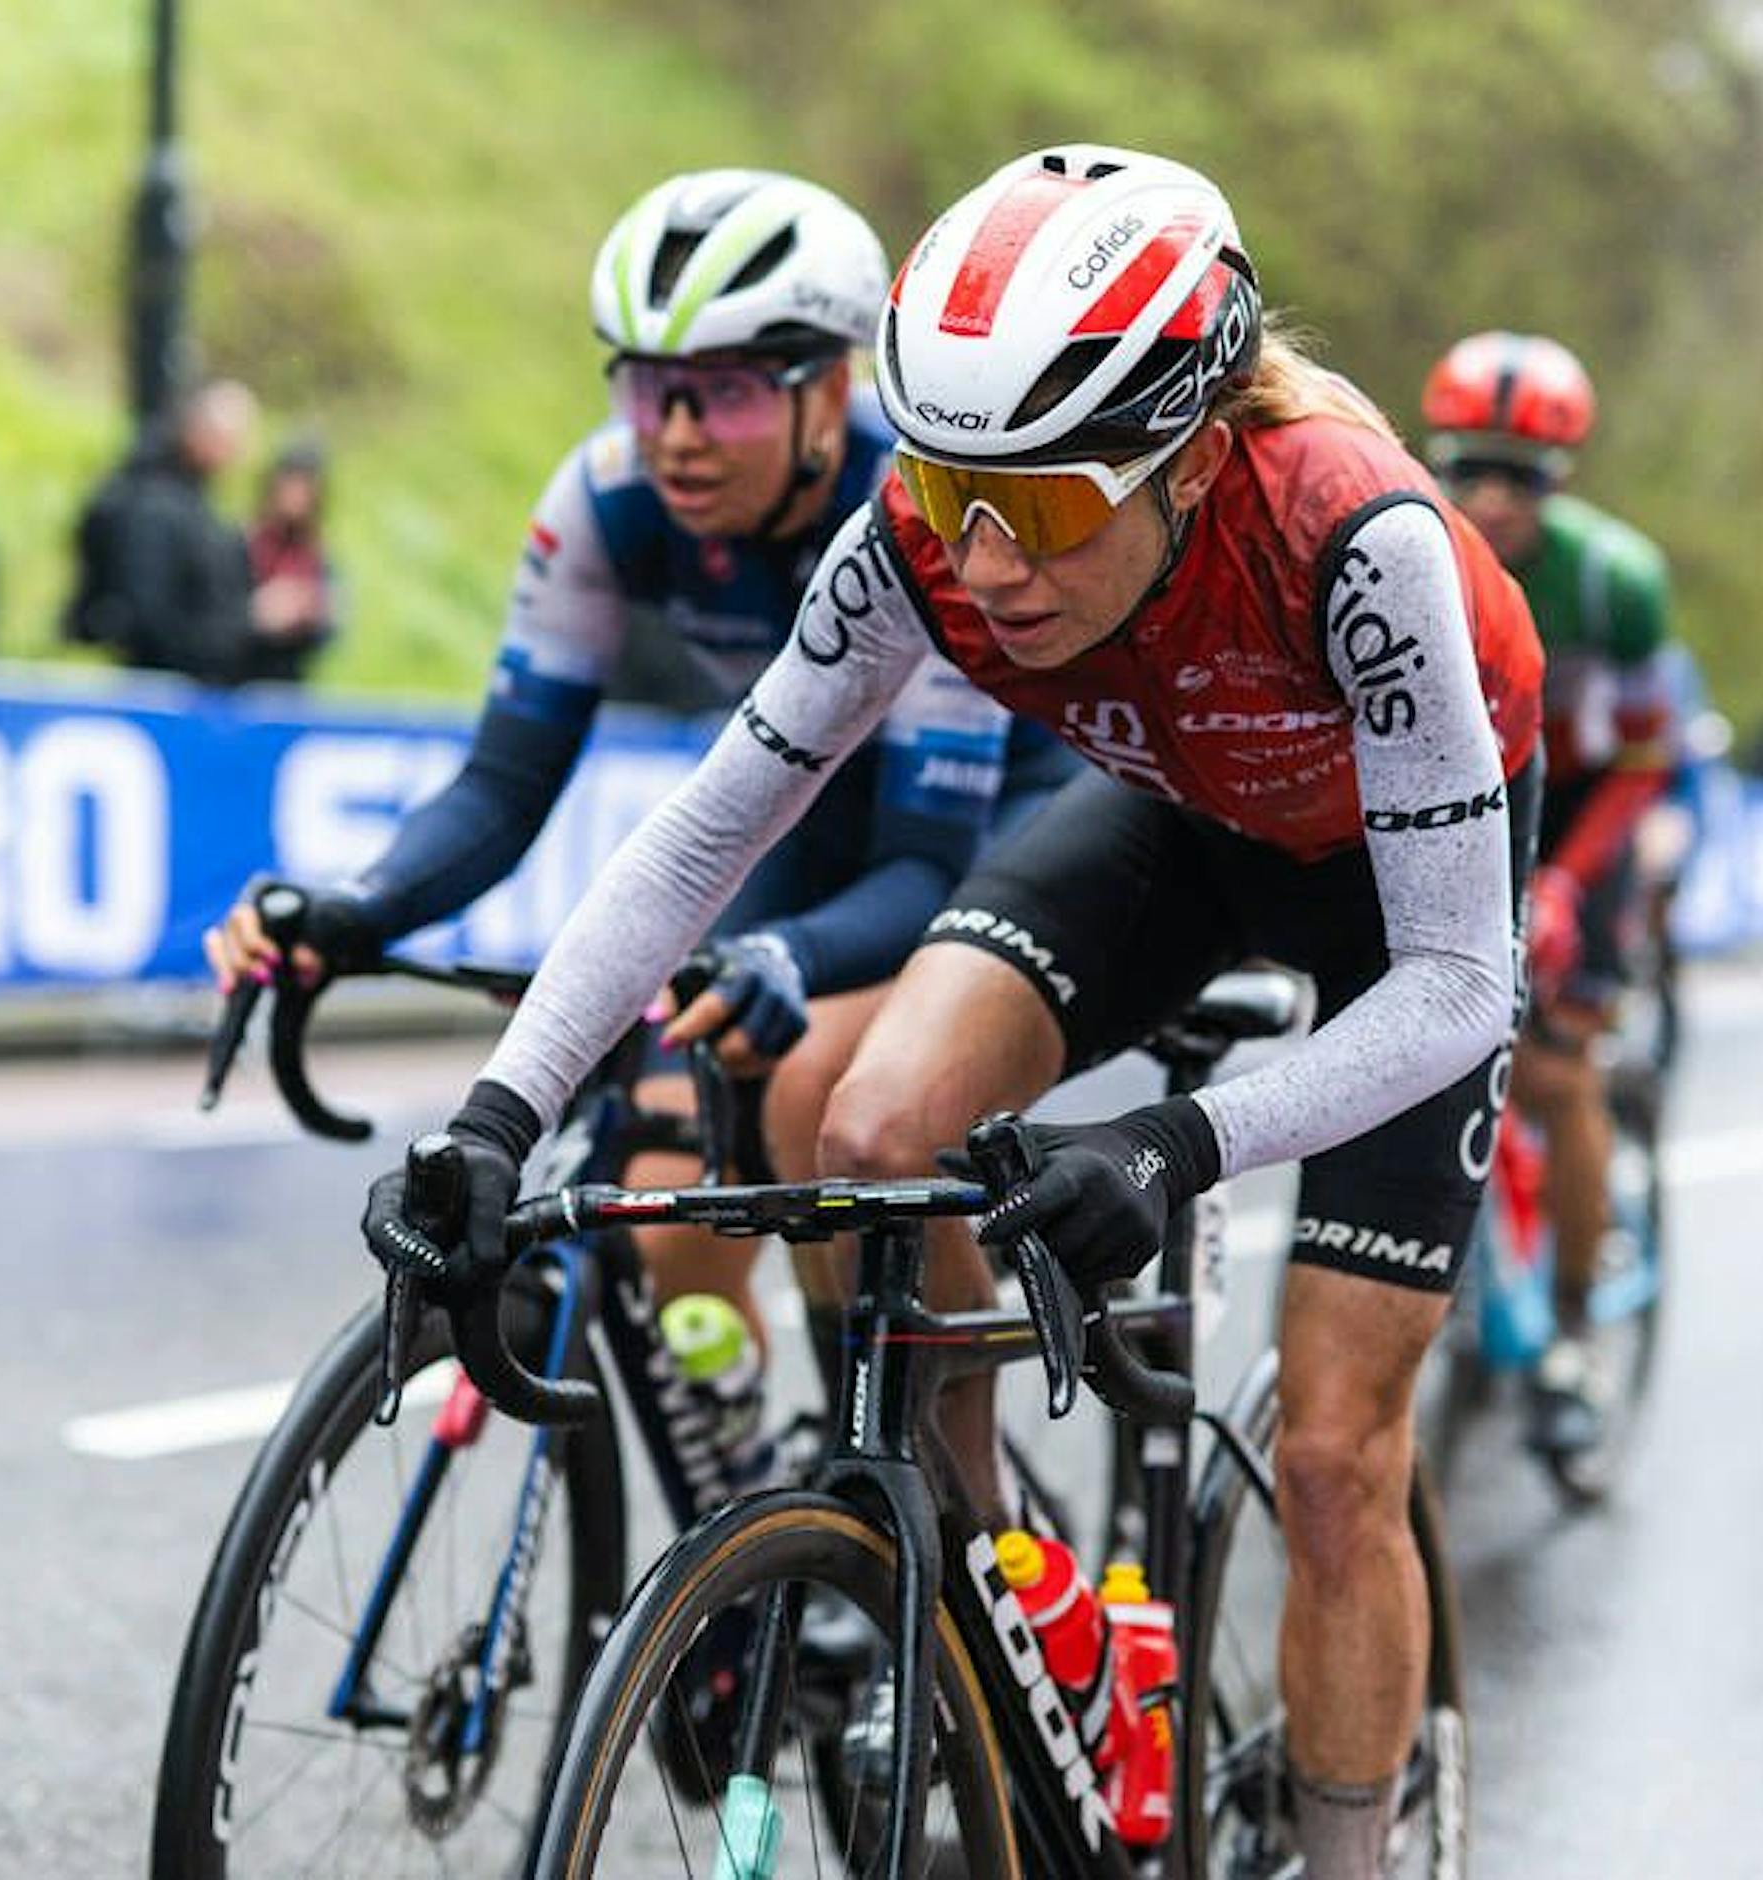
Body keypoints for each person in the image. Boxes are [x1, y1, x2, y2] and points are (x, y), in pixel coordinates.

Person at [361, 144, 1545, 1877]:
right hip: (1175, 819)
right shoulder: (924, 532)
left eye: (1050, 507)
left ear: (1198, 455)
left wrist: (1171, 1142)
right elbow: (709, 824)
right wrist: (496, 1113)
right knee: (865, 1129)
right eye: (945, 479)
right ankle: (1003, 1613)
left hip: (1393, 887)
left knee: (1335, 1450)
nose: (985, 558)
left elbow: (1457, 982)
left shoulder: (1354, 541)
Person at [210, 169, 1067, 1389]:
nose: (671, 434)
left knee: (822, 1100)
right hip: (814, 834)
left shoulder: (921, 502)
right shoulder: (606, 502)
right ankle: (750, 1490)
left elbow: (922, 861)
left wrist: (792, 962)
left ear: (831, 386)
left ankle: (907, 1497)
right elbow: (503, 788)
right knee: (661, 1195)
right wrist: (357, 905)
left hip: (995, 825)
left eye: (720, 394)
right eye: (648, 386)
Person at [1421, 331, 1673, 1455]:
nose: (1491, 498)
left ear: (1556, 483)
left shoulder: (1613, 582)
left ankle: (1571, 1330)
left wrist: (1565, 881)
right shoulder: (1406, 544)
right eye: (1468, 468)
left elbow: (1640, 756)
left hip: (1577, 810)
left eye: (1517, 479)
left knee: (1555, 1068)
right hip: (1472, 797)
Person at [64, 378, 321, 685]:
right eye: (235, 438)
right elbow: (157, 624)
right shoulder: (157, 509)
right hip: (163, 692)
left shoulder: (190, 507)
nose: (241, 452)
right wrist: (251, 620)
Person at [243, 437, 339, 683]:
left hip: (289, 679)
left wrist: (310, 611)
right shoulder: (243, 543)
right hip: (241, 675)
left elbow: (331, 630)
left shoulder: (317, 554)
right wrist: (259, 611)